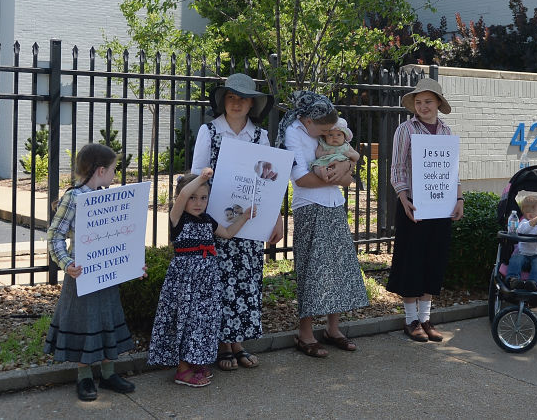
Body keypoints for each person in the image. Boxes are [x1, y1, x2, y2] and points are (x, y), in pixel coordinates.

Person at [190, 73, 283, 371]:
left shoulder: (259, 136)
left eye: (243, 98)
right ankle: (221, 344)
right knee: (219, 281)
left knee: (245, 281)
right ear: (223, 101)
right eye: (231, 97)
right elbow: (192, 176)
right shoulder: (209, 131)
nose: (237, 103)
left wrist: (277, 217)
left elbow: (269, 180)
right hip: (216, 220)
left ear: (252, 104)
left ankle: (238, 342)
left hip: (250, 221)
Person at [276, 91, 369, 357]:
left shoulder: (324, 130)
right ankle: (305, 333)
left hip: (334, 204)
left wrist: (345, 173)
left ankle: (333, 329)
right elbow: (301, 178)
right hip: (309, 206)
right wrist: (340, 178)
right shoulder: (293, 133)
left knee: (337, 267)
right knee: (311, 268)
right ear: (306, 121)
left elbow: (348, 165)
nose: (329, 132)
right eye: (324, 128)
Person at [44, 143, 138, 402]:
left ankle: (108, 374)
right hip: (81, 274)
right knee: (84, 323)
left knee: (107, 318)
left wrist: (131, 264)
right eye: (113, 170)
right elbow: (54, 236)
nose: (114, 175)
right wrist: (66, 263)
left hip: (106, 274)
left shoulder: (108, 197)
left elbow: (121, 236)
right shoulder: (73, 198)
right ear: (100, 170)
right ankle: (84, 378)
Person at [148, 168, 256, 387]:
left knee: (201, 323)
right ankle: (182, 370)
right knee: (185, 322)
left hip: (206, 284)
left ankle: (194, 362)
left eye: (203, 198)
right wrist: (202, 178)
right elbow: (182, 196)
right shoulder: (178, 219)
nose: (198, 203)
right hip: (185, 283)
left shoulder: (207, 221)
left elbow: (227, 233)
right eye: (193, 198)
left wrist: (244, 216)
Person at [387, 78, 464, 343]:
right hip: (415, 206)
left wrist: (459, 198)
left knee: (434, 259)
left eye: (428, 101)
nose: (423, 106)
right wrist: (403, 197)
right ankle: (410, 320)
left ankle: (426, 318)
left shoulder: (446, 132)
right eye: (418, 102)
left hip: (441, 206)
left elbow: (451, 171)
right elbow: (397, 168)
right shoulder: (405, 129)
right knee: (412, 260)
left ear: (439, 103)